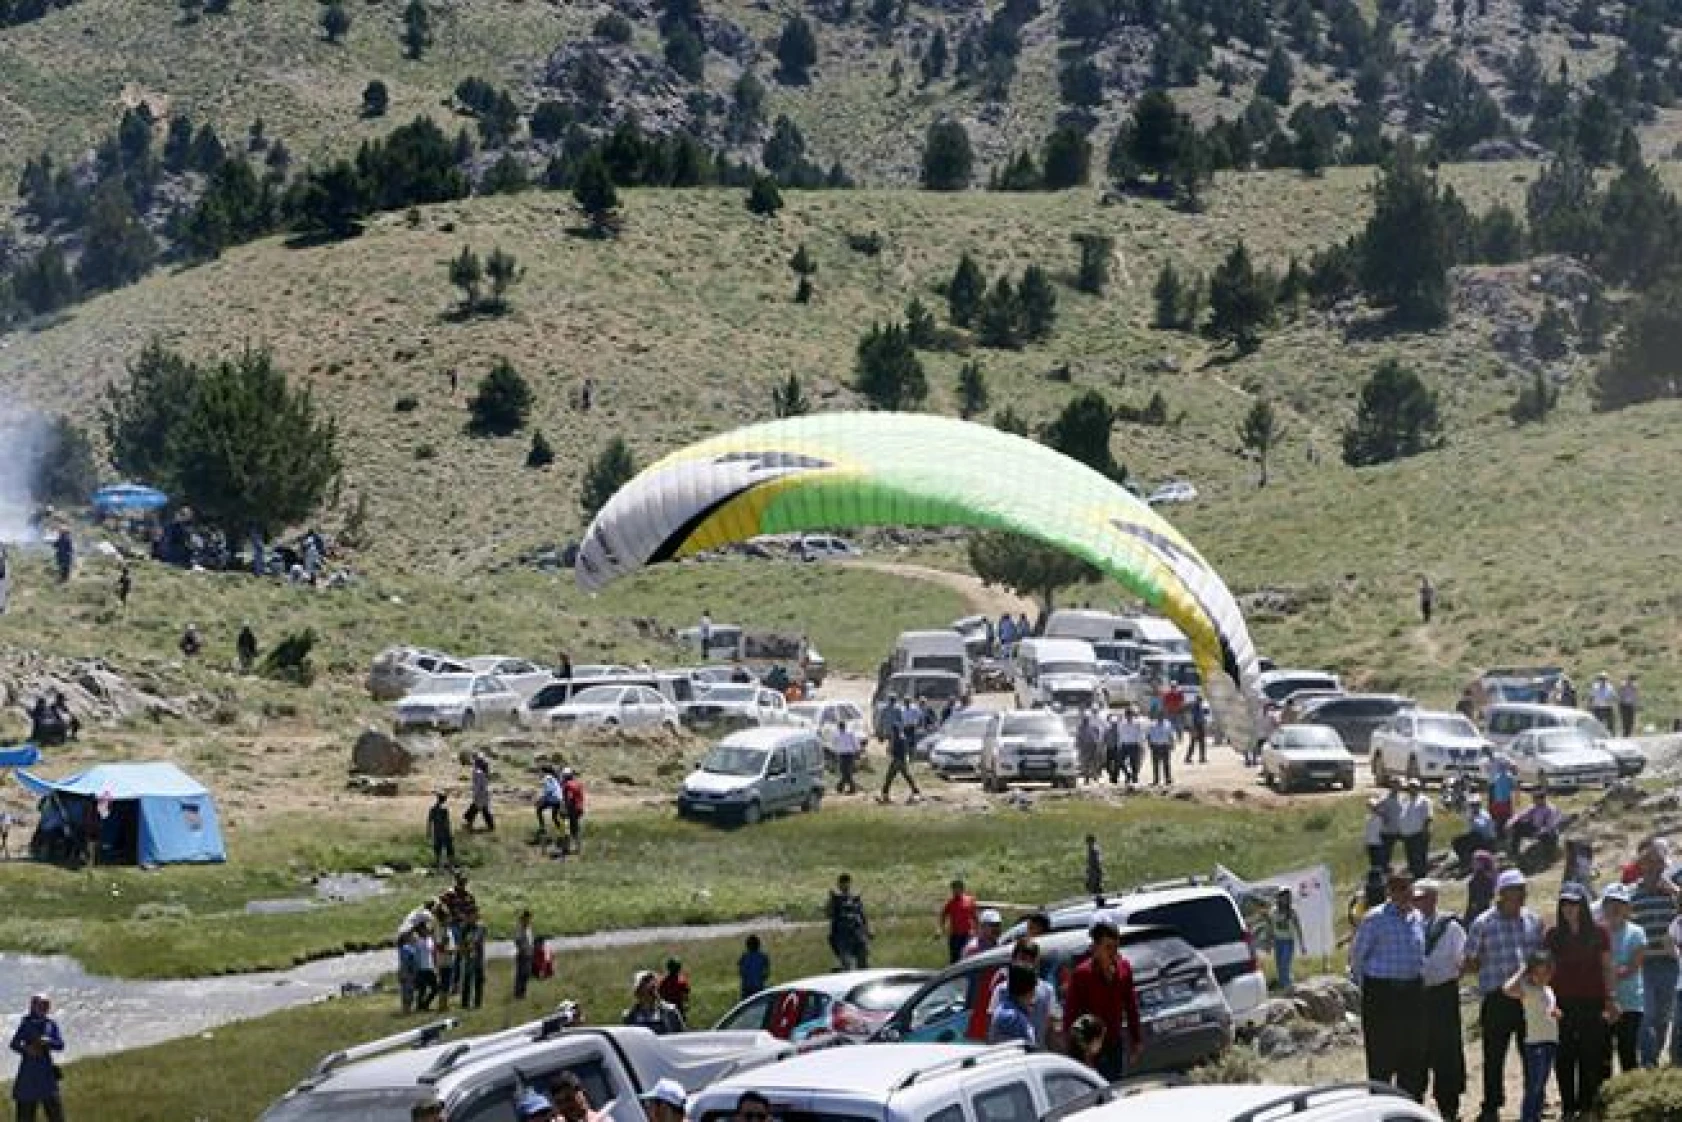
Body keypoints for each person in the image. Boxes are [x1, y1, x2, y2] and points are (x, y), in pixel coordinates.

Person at [1465, 869, 1546, 1122]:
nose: (1521, 896)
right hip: (1497, 997)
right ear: (1502, 894)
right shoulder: (1483, 923)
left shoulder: (1533, 920)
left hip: (1528, 997)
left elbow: (1541, 956)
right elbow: (1470, 960)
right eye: (1515, 891)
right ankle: (1491, 1105)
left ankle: (1534, 1101)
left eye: (1523, 890)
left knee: (1532, 1052)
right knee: (1494, 1055)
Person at [1349, 869, 1427, 1101]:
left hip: (1412, 993)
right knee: (1382, 1058)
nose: (1407, 893)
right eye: (1401, 889)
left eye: (1409, 888)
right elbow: (1357, 956)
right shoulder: (1375, 918)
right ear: (1390, 892)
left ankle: (1409, 1107)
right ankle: (1382, 1107)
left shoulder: (1417, 918)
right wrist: (1371, 989)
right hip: (1383, 994)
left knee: (1413, 1055)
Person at [1546, 882, 1612, 1119]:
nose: (1569, 909)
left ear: (1583, 906)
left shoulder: (1599, 934)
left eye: (1574, 904)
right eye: (1565, 904)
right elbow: (1547, 971)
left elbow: (1606, 968)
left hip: (1592, 1001)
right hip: (1562, 1002)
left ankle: (1586, 1106)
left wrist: (1610, 999)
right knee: (1564, 1055)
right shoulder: (1553, 936)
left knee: (1590, 1053)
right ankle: (1568, 1106)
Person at [1064, 920, 1143, 1081]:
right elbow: (1071, 1017)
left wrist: (1136, 1039)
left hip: (1115, 1043)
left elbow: (1131, 1005)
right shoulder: (1082, 975)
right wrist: (1081, 1054)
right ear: (1095, 948)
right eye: (1108, 948)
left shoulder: (1124, 968)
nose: (1113, 953)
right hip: (1090, 1049)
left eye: (1116, 947)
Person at [1414, 879, 1467, 1122]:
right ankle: (1414, 1104)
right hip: (1415, 996)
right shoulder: (1407, 925)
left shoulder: (1450, 927)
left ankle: (1449, 1107)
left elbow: (1462, 960)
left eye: (1423, 898)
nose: (1418, 902)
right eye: (1415, 898)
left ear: (1434, 899)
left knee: (1446, 1051)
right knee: (1416, 1051)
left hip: (1443, 994)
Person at [1631, 839, 1679, 1066]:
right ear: (1641, 864)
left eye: (1659, 861)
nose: (1654, 866)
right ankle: (1648, 1063)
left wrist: (1675, 891)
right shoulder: (1632, 894)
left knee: (1662, 1017)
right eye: (1648, 861)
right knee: (1646, 1016)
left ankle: (1655, 1056)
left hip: (1671, 963)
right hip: (1644, 964)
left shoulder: (1673, 892)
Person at [1504, 950, 1560, 1122]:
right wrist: (1521, 970)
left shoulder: (1549, 990)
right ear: (1531, 973)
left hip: (1551, 1040)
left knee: (1542, 1083)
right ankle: (1527, 1117)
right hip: (1535, 1042)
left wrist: (1556, 1014)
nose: (1542, 977)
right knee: (1533, 1084)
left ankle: (1535, 1115)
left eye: (1546, 973)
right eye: (1537, 973)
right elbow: (1507, 989)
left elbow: (1549, 1012)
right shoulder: (1527, 990)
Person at [1603, 884, 1647, 1075]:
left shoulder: (1637, 933)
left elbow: (1632, 967)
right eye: (1611, 902)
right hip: (1603, 1002)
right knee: (1602, 1054)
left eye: (1620, 903)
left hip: (1631, 1002)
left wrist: (1609, 974)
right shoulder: (1598, 932)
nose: (1615, 907)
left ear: (1627, 907)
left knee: (1627, 1051)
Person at [988, 939, 1061, 1042]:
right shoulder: (1001, 990)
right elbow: (991, 1026)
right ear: (1013, 960)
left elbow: (1052, 1027)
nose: (1027, 964)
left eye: (1031, 960)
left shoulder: (1047, 990)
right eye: (1022, 959)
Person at [10, 994, 65, 1122]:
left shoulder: (50, 1025)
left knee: (56, 1116)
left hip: (46, 1077)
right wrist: (27, 1050)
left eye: (47, 1005)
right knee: (25, 1116)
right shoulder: (26, 1024)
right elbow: (14, 1044)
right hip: (28, 1077)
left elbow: (60, 1045)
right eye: (41, 1005)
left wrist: (48, 1042)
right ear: (33, 1006)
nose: (45, 1008)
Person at [827, 873, 871, 970]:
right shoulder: (836, 898)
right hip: (843, 936)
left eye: (847, 882)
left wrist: (868, 930)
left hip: (857, 933)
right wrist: (832, 900)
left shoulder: (855, 898)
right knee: (847, 963)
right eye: (843, 883)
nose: (845, 885)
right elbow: (829, 914)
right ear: (839, 884)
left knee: (863, 961)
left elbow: (862, 914)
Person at [987, 965, 1041, 1045]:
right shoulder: (1013, 1018)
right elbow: (1021, 1051)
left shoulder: (1009, 1010)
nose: (1034, 996)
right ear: (1027, 992)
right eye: (1033, 990)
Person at [623, 970, 686, 1034]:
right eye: (645, 984)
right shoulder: (630, 1016)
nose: (651, 989)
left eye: (654, 987)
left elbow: (681, 1036)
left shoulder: (670, 1011)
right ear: (638, 992)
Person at [879, 713, 921, 804]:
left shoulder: (897, 739)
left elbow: (892, 751)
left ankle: (884, 794)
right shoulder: (902, 738)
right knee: (906, 777)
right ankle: (916, 791)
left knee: (889, 777)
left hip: (897, 761)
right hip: (901, 760)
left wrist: (890, 750)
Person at [1509, 791, 1564, 860]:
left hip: (1548, 832)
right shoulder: (1534, 806)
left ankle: (1549, 856)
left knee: (1547, 838)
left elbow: (1550, 826)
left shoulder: (1550, 809)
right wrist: (1511, 822)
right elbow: (1521, 815)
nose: (1534, 801)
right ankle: (1514, 852)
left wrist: (1539, 832)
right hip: (1535, 828)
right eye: (1534, 799)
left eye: (1536, 800)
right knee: (1517, 827)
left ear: (1542, 799)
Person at [1269, 888, 1305, 990]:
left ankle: (1288, 986)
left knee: (1285, 964)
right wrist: (1269, 941)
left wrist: (1302, 945)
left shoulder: (1292, 912)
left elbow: (1298, 928)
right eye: (1282, 897)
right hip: (1277, 941)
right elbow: (1271, 927)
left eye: (1287, 897)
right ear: (1279, 898)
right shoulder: (1274, 911)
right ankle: (1283, 985)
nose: (1285, 899)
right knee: (1279, 965)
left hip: (1288, 942)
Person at [1399, 780, 1433, 879]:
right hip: (1407, 834)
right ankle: (1415, 876)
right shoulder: (1405, 800)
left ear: (1418, 788)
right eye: (1410, 787)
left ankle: (1421, 877)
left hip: (1419, 833)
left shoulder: (1424, 800)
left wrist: (1424, 831)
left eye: (1414, 787)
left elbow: (1428, 817)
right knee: (1411, 858)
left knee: (1419, 857)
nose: (1412, 789)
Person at [1452, 796, 1498, 868]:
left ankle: (1467, 862)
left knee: (1471, 841)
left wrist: (1473, 819)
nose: (1473, 807)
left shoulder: (1484, 815)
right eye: (1471, 805)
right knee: (1456, 841)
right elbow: (1469, 825)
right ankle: (1463, 859)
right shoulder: (1472, 813)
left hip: (1486, 840)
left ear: (1479, 805)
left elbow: (1482, 827)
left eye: (1475, 805)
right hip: (1476, 836)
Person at [940, 880, 978, 965]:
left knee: (967, 956)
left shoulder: (970, 900)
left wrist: (976, 930)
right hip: (954, 934)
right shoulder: (950, 903)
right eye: (953, 889)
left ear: (962, 889)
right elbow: (943, 915)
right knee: (954, 957)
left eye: (957, 888)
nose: (955, 891)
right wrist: (942, 928)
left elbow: (975, 916)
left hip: (966, 934)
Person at [457, 909, 487, 1010]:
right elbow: (461, 942)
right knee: (467, 979)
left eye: (473, 916)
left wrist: (472, 944)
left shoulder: (481, 927)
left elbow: (478, 939)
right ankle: (465, 1003)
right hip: (468, 957)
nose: (471, 918)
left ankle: (478, 1003)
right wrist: (464, 949)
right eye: (469, 916)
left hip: (478, 956)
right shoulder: (464, 928)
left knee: (479, 979)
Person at [411, 917, 440, 1011]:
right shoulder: (417, 941)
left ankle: (425, 1004)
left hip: (430, 967)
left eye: (427, 928)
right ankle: (420, 1006)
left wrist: (436, 966)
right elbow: (415, 956)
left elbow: (433, 952)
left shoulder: (430, 940)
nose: (427, 929)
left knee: (435, 988)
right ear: (420, 930)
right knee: (422, 990)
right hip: (421, 968)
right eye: (425, 928)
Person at [1488, 758, 1518, 834]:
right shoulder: (1504, 777)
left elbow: (1512, 786)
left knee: (1501, 816)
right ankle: (1502, 830)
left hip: (1501, 800)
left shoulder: (1498, 777)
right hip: (1502, 800)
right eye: (1501, 767)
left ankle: (1501, 830)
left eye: (1502, 767)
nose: (1501, 768)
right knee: (1503, 816)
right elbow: (1513, 786)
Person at [465, 754, 494, 832]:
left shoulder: (477, 772)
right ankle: (490, 826)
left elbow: (477, 785)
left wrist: (475, 794)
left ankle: (469, 824)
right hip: (484, 793)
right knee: (482, 810)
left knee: (475, 810)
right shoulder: (484, 772)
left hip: (480, 794)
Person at [1467, 850, 1497, 925]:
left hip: (1477, 911)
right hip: (1485, 909)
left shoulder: (1480, 878)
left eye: (1475, 861)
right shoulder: (1490, 878)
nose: (1473, 863)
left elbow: (1474, 899)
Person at [1116, 707, 1144, 787]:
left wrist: (1140, 744)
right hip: (1124, 745)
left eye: (1130, 714)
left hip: (1134, 745)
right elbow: (1120, 734)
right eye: (1127, 715)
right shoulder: (1122, 723)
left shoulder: (1137, 723)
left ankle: (1134, 778)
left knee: (1134, 763)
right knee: (1119, 761)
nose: (1129, 716)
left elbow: (1140, 734)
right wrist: (1119, 744)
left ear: (1132, 715)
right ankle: (1128, 774)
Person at [561, 768, 586, 856]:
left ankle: (566, 848)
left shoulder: (567, 785)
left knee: (567, 827)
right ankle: (578, 848)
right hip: (579, 808)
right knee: (576, 828)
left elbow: (569, 798)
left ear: (565, 776)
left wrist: (565, 809)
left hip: (572, 809)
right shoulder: (578, 783)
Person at [427, 793, 455, 871]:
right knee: (449, 849)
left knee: (438, 850)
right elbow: (446, 822)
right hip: (445, 832)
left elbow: (429, 821)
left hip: (437, 833)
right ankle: (451, 866)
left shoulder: (432, 809)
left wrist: (428, 832)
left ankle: (438, 866)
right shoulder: (444, 809)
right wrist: (450, 832)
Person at [1146, 713, 1175, 786]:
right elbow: (1148, 735)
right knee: (1155, 764)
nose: (1160, 717)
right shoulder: (1152, 724)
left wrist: (1172, 744)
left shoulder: (1167, 724)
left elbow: (1170, 734)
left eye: (1161, 716)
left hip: (1165, 745)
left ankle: (1168, 779)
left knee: (1166, 764)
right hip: (1155, 746)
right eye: (1159, 716)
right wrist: (1150, 744)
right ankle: (1156, 780)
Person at [832, 720, 861, 795]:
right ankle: (844, 787)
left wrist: (857, 751)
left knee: (847, 772)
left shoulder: (850, 734)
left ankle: (843, 787)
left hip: (849, 754)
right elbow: (834, 744)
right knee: (845, 772)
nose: (841, 727)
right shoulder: (837, 735)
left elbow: (855, 743)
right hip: (842, 754)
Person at [513, 908, 535, 999]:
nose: (529, 920)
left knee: (526, 974)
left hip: (529, 954)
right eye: (527, 919)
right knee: (521, 974)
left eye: (529, 919)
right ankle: (518, 994)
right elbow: (517, 940)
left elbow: (530, 940)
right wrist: (523, 949)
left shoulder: (529, 928)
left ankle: (523, 993)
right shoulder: (520, 928)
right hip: (523, 955)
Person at [739, 934, 770, 998]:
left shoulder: (744, 957)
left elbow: (741, 972)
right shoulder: (763, 957)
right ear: (758, 945)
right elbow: (766, 972)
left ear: (747, 945)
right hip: (758, 986)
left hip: (747, 987)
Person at [536, 766, 564, 836]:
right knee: (554, 817)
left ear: (543, 772)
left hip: (553, 798)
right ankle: (562, 831)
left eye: (540, 771)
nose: (539, 773)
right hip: (558, 799)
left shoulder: (547, 777)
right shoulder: (553, 778)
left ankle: (542, 828)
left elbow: (549, 790)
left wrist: (541, 798)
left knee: (539, 809)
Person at [1186, 697, 1209, 764]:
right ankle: (1189, 758)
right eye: (1199, 701)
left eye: (1200, 701)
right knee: (1194, 744)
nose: (1200, 702)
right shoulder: (1195, 707)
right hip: (1196, 726)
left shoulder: (1199, 707)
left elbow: (1202, 716)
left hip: (1200, 726)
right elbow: (1193, 718)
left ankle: (1201, 757)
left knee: (1200, 743)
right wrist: (1193, 729)